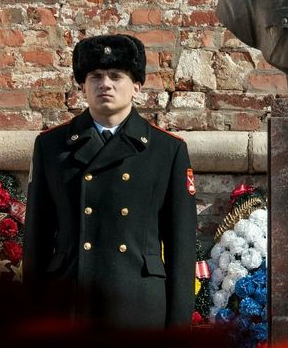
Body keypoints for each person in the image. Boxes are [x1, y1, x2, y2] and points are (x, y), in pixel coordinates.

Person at [24, 34, 197, 328]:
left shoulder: (167, 150)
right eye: (95, 76)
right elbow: (37, 240)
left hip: (139, 305)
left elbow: (181, 247)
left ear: (136, 87)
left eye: (117, 76)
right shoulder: (52, 146)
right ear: (83, 86)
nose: (105, 84)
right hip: (69, 303)